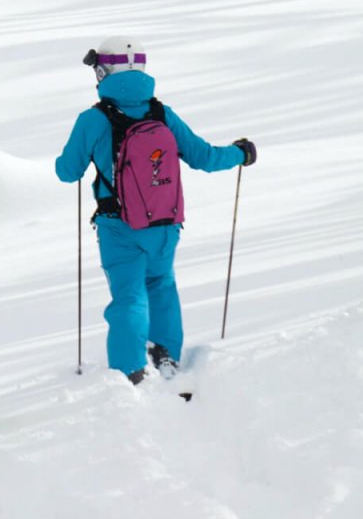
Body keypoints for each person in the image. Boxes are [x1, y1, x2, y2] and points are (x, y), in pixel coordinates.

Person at [55, 37, 257, 383]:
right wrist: (241, 153)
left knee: (129, 295)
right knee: (161, 283)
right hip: (165, 224)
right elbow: (204, 157)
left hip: (119, 226)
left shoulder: (93, 119)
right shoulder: (162, 113)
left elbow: (66, 172)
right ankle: (166, 356)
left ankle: (130, 371)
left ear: (103, 71)